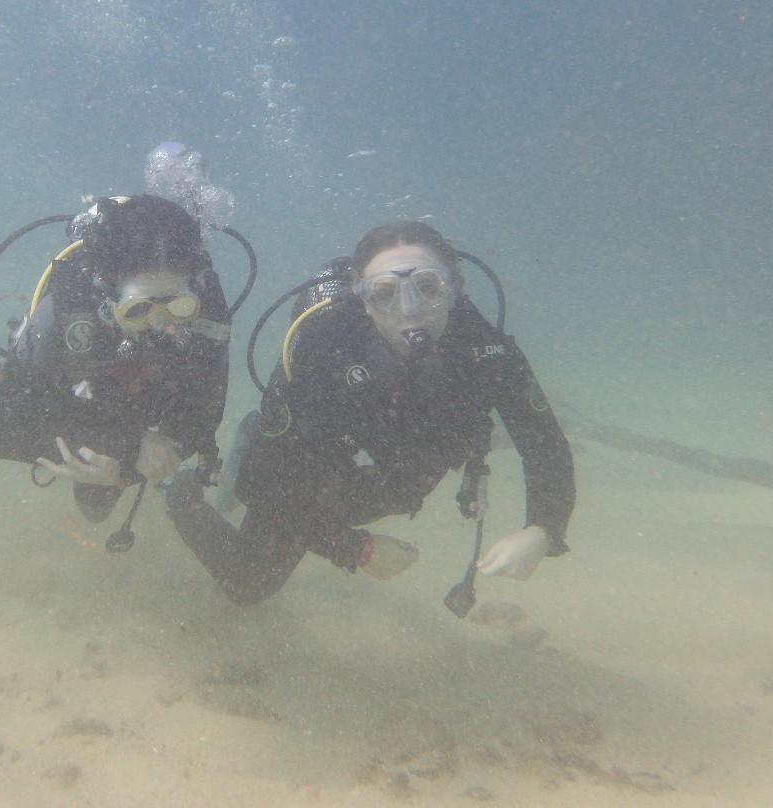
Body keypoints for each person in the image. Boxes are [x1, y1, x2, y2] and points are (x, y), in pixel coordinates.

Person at [164, 220, 575, 605]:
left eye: (428, 286)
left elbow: (545, 445)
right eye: (385, 292)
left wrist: (543, 530)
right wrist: (356, 548)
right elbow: (260, 485)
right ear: (364, 302)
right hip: (307, 477)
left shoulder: (491, 354)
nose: (410, 309)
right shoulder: (325, 349)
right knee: (248, 582)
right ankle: (181, 492)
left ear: (454, 290)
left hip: (388, 486)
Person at [0, 189, 235, 540]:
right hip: (72, 398)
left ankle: (114, 458)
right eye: (138, 309)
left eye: (178, 306)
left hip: (127, 409)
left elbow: (204, 415)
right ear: (109, 297)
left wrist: (134, 465)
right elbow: (9, 423)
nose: (159, 324)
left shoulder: (207, 315)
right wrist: (129, 447)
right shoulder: (69, 309)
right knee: (4, 423)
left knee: (96, 506)